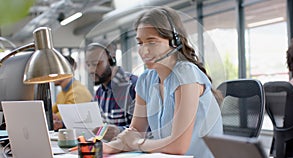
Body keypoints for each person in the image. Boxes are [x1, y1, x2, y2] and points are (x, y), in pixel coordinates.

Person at [102, 7, 223, 158]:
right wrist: (102, 147)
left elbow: (178, 146)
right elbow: (134, 132)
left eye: (152, 42)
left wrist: (137, 143)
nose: (144, 51)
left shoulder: (186, 74)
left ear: (174, 41)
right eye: (140, 43)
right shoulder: (146, 80)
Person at [85, 40, 138, 141]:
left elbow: (146, 130)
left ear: (111, 60)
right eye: (88, 65)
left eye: (97, 64)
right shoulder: (99, 93)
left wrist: (119, 131)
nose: (92, 70)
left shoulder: (133, 87)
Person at [52, 55, 93, 130]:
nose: (52, 73)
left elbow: (59, 118)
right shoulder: (61, 94)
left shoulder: (78, 91)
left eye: (55, 69)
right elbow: (50, 113)